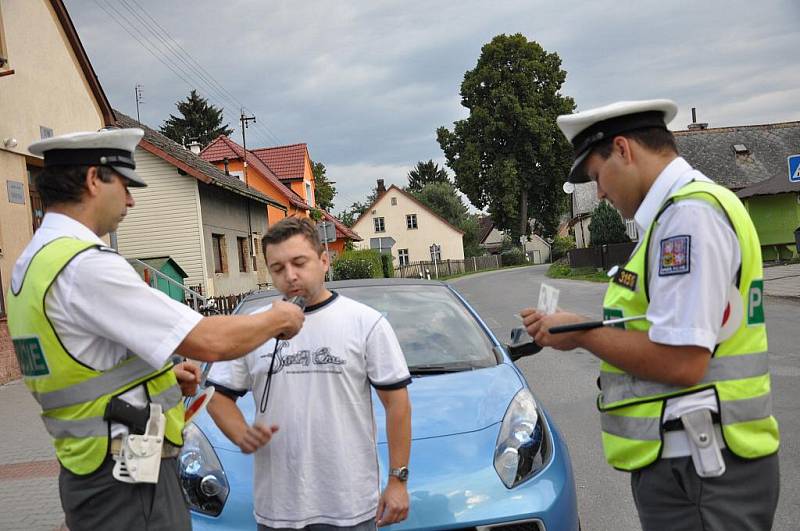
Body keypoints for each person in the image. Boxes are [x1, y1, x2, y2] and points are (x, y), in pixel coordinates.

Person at [6, 128, 305, 531]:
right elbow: (209, 340)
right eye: (126, 184)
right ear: (95, 179)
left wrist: (160, 375)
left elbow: (83, 364)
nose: (131, 199)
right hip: (126, 478)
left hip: (98, 465)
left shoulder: (34, 260)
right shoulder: (86, 265)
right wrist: (277, 318)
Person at [521, 100, 779, 530]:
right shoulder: (679, 214)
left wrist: (583, 336)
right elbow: (661, 329)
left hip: (700, 470)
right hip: (697, 463)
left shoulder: (687, 217)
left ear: (623, 149)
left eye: (597, 177)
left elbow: (682, 360)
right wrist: (580, 326)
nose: (599, 193)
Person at [206, 217, 412, 530]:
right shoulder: (254, 327)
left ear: (324, 261)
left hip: (350, 505)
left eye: (299, 262)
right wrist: (240, 433)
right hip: (278, 509)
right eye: (278, 268)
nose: (290, 275)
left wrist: (398, 479)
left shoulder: (365, 323)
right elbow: (217, 398)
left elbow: (397, 405)